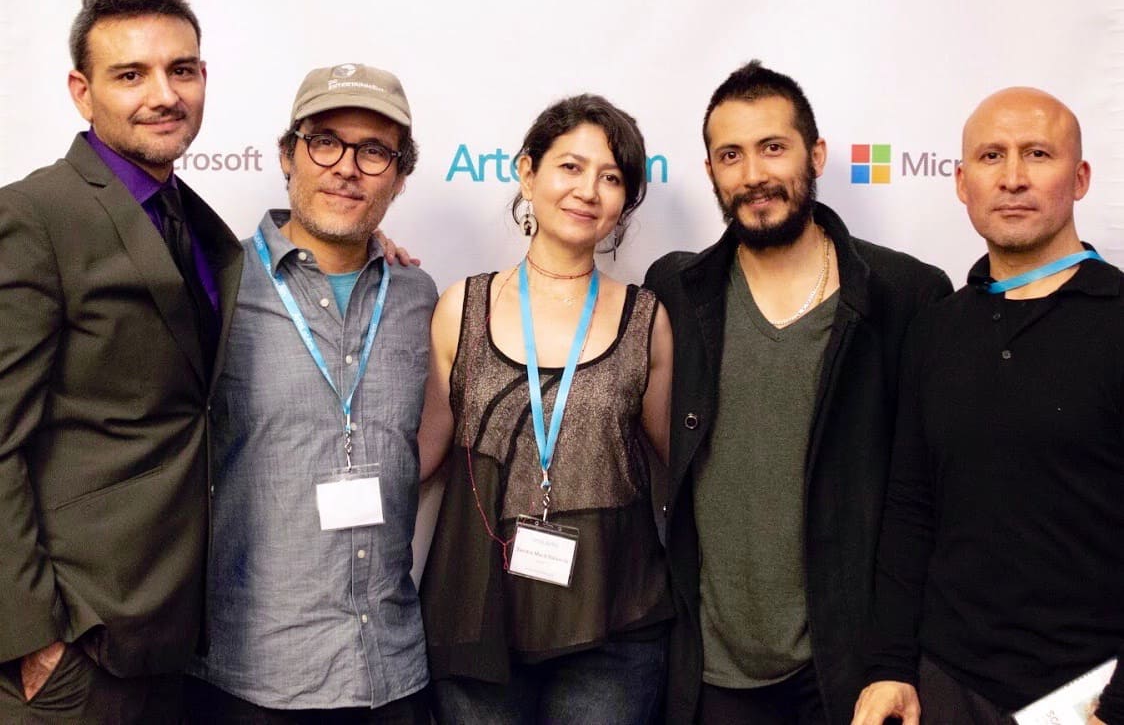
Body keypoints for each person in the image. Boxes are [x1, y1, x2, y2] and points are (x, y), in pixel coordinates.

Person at [644, 60, 951, 725]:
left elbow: (920, 500)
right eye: (731, 155)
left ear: (816, 155)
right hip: (712, 671)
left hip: (847, 670)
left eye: (773, 147)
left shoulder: (905, 295)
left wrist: (894, 660)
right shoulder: (676, 290)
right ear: (710, 171)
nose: (754, 173)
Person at [0, 0, 243, 722]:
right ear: (83, 92)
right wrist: (32, 636)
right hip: (76, 645)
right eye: (130, 74)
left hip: (173, 639)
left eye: (181, 70)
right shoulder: (35, 215)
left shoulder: (194, 221)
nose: (163, 94)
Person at [852, 87, 1124, 725]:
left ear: (1080, 178)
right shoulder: (936, 329)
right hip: (948, 682)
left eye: (1038, 154)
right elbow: (911, 509)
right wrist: (890, 666)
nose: (1013, 178)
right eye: (991, 156)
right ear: (961, 182)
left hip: (1089, 692)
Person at [184, 63, 436, 723]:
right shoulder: (214, 285)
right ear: (286, 156)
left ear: (399, 178)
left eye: (374, 151)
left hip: (391, 670)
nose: (346, 167)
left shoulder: (419, 297)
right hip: (252, 673)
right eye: (325, 142)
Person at [417, 94, 674, 724]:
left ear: (624, 202)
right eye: (571, 167)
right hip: (477, 612)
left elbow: (681, 462)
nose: (588, 190)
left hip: (613, 619)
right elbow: (421, 453)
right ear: (528, 173)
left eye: (610, 178)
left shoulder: (647, 318)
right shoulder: (461, 306)